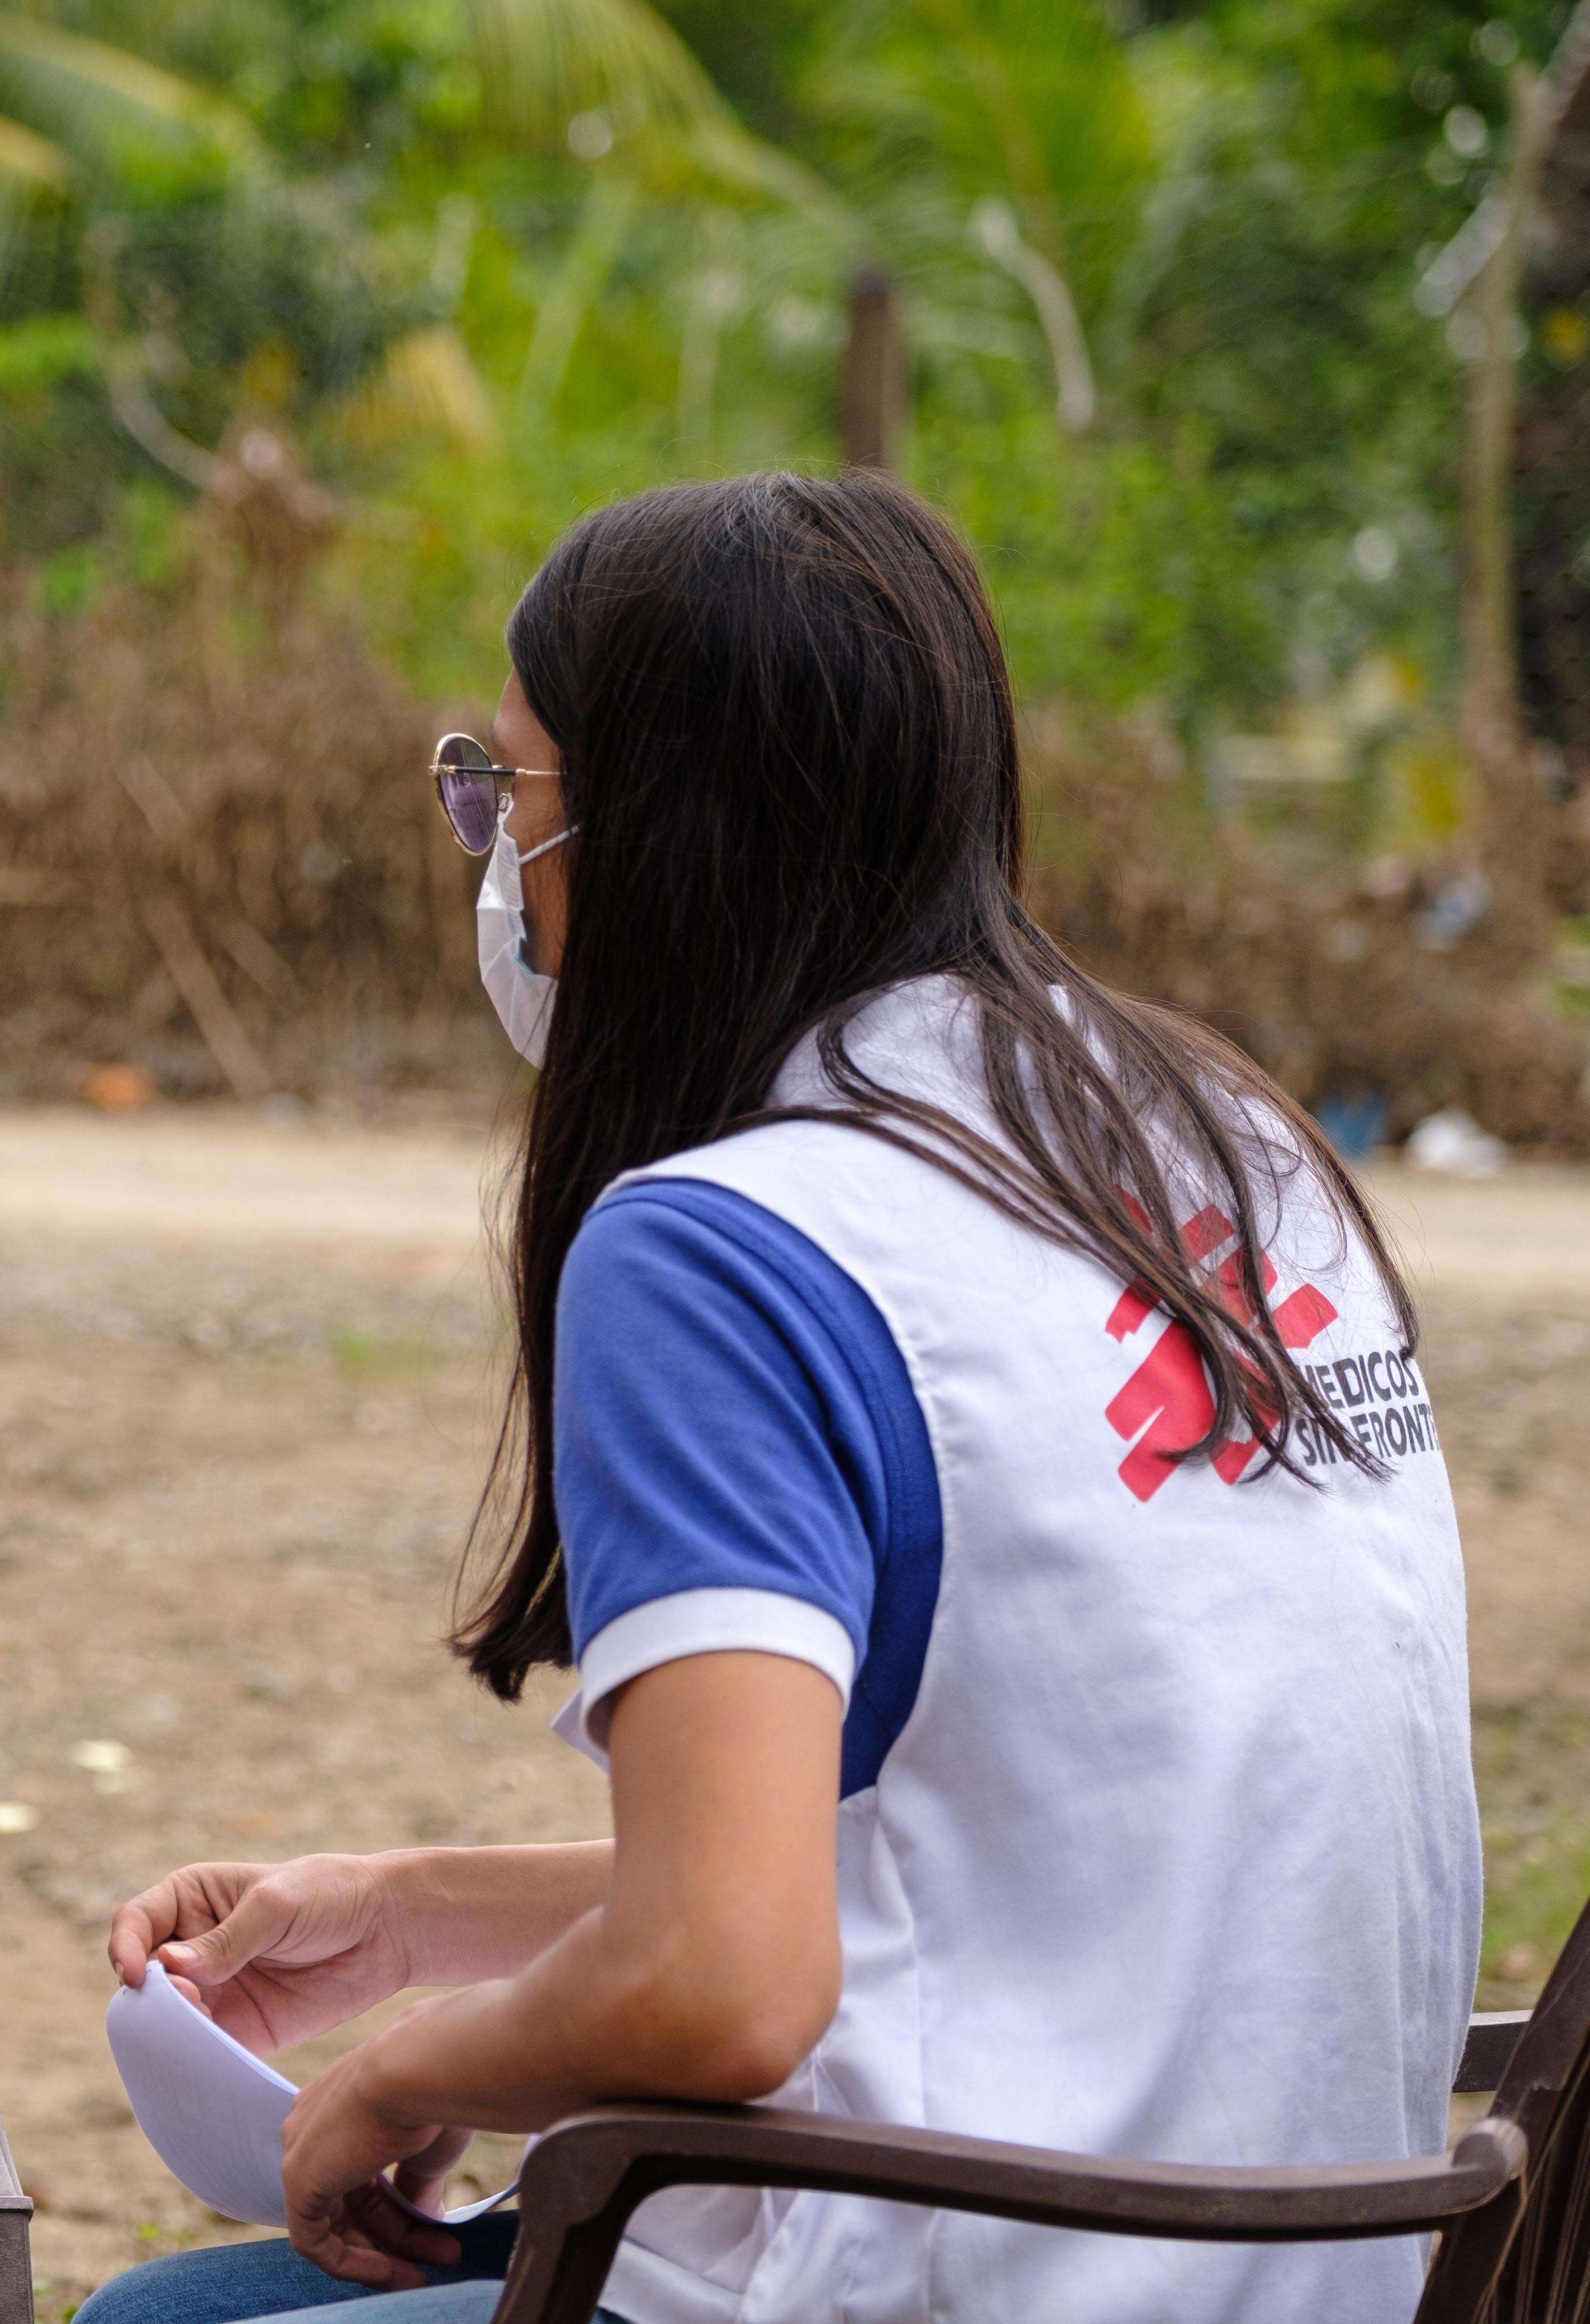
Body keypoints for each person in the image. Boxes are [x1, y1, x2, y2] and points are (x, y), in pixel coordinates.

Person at [83, 473, 1479, 2324]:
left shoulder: (730, 1249)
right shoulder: (1228, 1142)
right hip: (1301, 2265)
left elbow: (727, 1986)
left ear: (656, 834)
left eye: (510, 793)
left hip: (972, 2267)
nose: (498, 860)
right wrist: (413, 1914)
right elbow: (1010, 1843)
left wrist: (400, 2076)